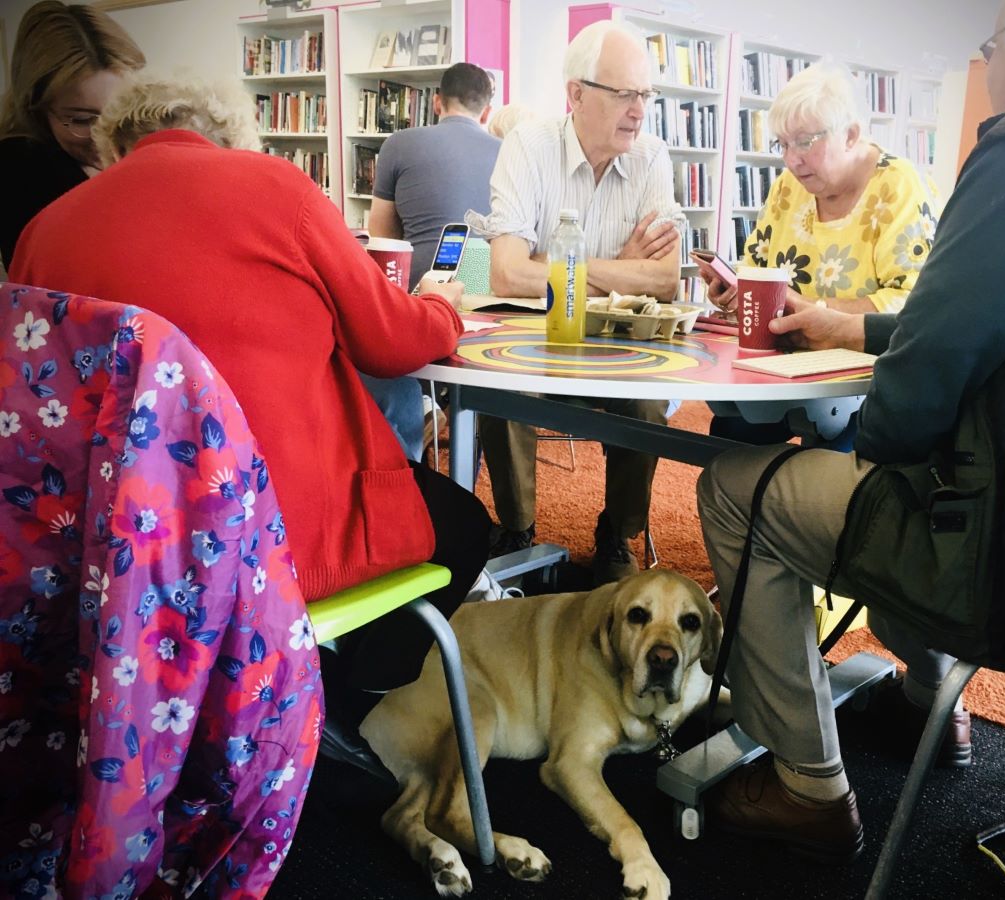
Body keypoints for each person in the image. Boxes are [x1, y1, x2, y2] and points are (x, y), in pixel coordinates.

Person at [696, 0, 1005, 865]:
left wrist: (892, 386)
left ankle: (808, 783)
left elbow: (902, 420)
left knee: (737, 487)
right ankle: (927, 700)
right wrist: (862, 333)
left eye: (989, 39)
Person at [8, 74, 491, 704]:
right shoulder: (279, 190)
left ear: (114, 147)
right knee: (465, 527)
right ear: (234, 140)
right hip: (270, 532)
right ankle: (337, 700)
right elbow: (391, 344)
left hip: (108, 551)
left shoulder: (44, 231)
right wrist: (441, 306)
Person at [466, 20, 688, 583]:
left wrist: (559, 267)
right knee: (501, 386)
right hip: (537, 337)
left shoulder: (653, 158)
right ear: (576, 94)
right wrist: (620, 269)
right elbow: (508, 273)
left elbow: (665, 282)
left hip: (617, 342)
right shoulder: (528, 146)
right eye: (624, 94)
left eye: (646, 94)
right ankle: (517, 528)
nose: (639, 110)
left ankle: (618, 532)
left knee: (647, 401)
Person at [696, 60, 940, 447]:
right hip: (781, 363)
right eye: (783, 144)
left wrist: (816, 309)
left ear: (851, 135)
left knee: (832, 462)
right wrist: (733, 291)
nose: (792, 159)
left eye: (806, 142)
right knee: (730, 437)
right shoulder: (788, 187)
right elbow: (756, 267)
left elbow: (913, 305)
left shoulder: (898, 186)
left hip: (863, 378)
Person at [361, 62, 500, 463]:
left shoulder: (397, 145)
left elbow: (383, 239)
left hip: (421, 292)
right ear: (487, 112)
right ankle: (463, 431)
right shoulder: (508, 151)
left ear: (436, 102)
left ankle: (421, 408)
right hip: (487, 295)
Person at [0, 0, 145, 270]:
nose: (107, 133)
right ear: (37, 110)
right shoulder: (20, 164)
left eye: (120, 110)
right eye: (81, 119)